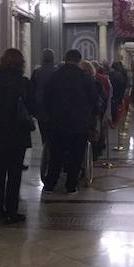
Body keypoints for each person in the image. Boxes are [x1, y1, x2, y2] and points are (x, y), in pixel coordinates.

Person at [0, 49, 32, 224]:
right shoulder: (23, 83)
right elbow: (32, 107)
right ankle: (11, 211)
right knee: (15, 175)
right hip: (17, 136)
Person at [43, 49, 99, 194]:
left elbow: (46, 100)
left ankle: (50, 184)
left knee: (56, 156)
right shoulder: (86, 78)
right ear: (80, 60)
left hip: (58, 124)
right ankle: (71, 185)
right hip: (79, 125)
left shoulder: (55, 77)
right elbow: (94, 101)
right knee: (76, 157)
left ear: (65, 58)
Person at [30, 48, 57, 143]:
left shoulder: (37, 72)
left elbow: (32, 90)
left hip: (40, 106)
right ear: (53, 58)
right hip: (55, 107)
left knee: (44, 133)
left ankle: (46, 150)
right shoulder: (57, 72)